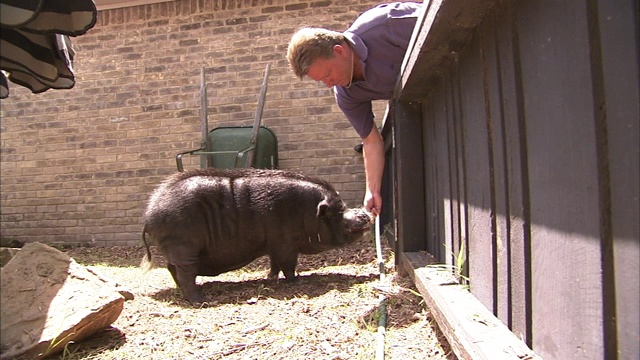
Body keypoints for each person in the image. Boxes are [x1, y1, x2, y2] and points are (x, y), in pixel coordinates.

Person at [287, 2, 423, 219]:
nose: (329, 84)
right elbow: (371, 141)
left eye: (328, 74)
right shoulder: (346, 94)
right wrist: (372, 191)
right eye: (321, 80)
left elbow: (445, 19)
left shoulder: (387, 23)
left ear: (339, 51)